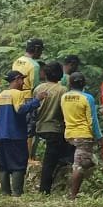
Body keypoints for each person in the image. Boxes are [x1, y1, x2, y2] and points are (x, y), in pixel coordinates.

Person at [0, 70, 39, 196]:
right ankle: (17, 193)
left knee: (4, 165)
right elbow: (20, 110)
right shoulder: (18, 94)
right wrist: (36, 101)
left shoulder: (0, 95)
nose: (23, 82)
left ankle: (5, 192)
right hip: (16, 135)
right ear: (17, 79)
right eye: (22, 79)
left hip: (2, 136)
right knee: (19, 164)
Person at [62, 72, 101, 200]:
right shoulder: (87, 98)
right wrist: (99, 137)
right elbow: (92, 120)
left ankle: (72, 184)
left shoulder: (64, 97)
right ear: (83, 83)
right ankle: (72, 195)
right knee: (80, 165)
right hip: (84, 135)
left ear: (70, 83)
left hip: (69, 134)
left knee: (82, 161)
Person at [33, 61, 70, 195]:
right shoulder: (63, 90)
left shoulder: (38, 88)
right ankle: (45, 190)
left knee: (47, 161)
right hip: (55, 129)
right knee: (51, 162)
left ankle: (45, 189)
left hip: (40, 127)